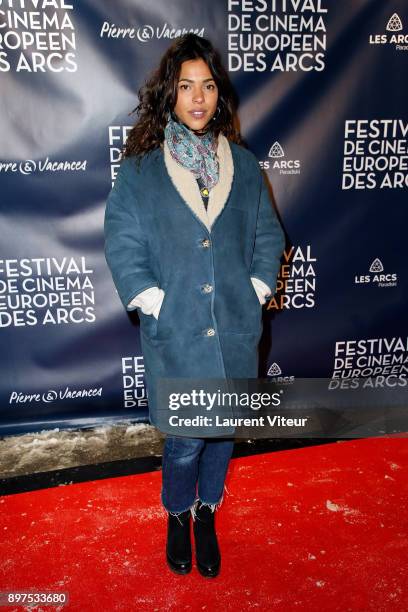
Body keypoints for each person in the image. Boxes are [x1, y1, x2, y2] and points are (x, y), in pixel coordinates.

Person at [104, 33, 285, 578]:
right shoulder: (139, 171)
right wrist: (151, 299)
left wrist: (254, 291)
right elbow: (122, 238)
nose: (198, 98)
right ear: (170, 95)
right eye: (186, 87)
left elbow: (268, 236)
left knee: (222, 436)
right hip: (177, 331)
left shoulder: (247, 167)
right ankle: (178, 515)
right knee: (185, 441)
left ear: (219, 95)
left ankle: (208, 512)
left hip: (232, 329)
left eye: (208, 86)